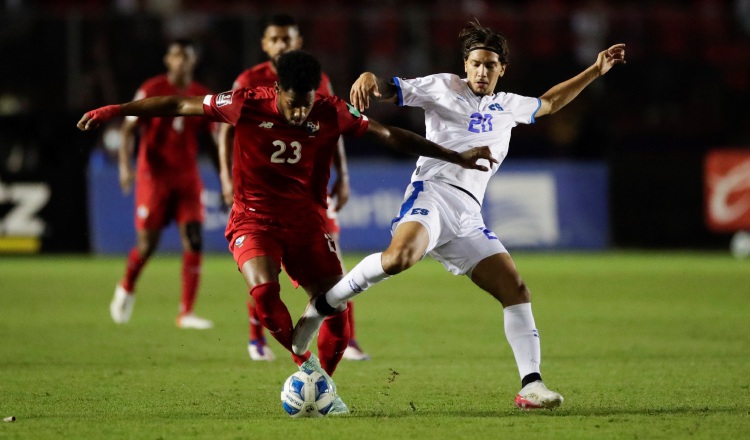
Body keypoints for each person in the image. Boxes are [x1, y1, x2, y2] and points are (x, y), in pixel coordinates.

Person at [78, 50, 496, 414]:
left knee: (338, 309)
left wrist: (452, 155)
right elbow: (179, 105)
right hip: (253, 220)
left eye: (307, 104)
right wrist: (116, 110)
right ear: (277, 90)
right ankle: (307, 367)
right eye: (294, 104)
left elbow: (390, 135)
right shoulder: (243, 103)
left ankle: (324, 385)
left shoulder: (330, 110)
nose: (300, 114)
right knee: (263, 293)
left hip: (307, 224)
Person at [292, 20, 626, 410]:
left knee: (515, 290)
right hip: (432, 194)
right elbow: (391, 90)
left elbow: (549, 103)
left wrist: (595, 70)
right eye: (476, 63)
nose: (482, 71)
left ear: (502, 69)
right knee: (398, 259)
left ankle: (531, 385)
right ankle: (323, 306)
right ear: (465, 65)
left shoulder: (510, 106)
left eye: (490, 65)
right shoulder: (444, 87)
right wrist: (370, 77)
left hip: (469, 215)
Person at [218, 14, 368, 362]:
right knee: (262, 267)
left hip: (310, 194)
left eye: (288, 39)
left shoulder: (318, 80)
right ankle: (258, 338)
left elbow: (336, 126)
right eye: (276, 39)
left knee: (334, 270)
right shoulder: (249, 82)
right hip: (263, 197)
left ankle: (348, 338)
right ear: (265, 44)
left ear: (298, 43)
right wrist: (227, 178)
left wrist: (342, 177)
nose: (282, 45)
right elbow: (226, 127)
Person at [111, 38, 215, 330]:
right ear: (168, 61)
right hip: (153, 177)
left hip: (187, 177)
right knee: (147, 245)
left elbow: (214, 138)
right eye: (176, 56)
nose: (181, 61)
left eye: (187, 56)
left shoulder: (201, 95)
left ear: (194, 61)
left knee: (194, 239)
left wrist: (226, 175)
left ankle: (186, 312)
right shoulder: (152, 89)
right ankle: (127, 285)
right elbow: (129, 129)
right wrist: (124, 166)